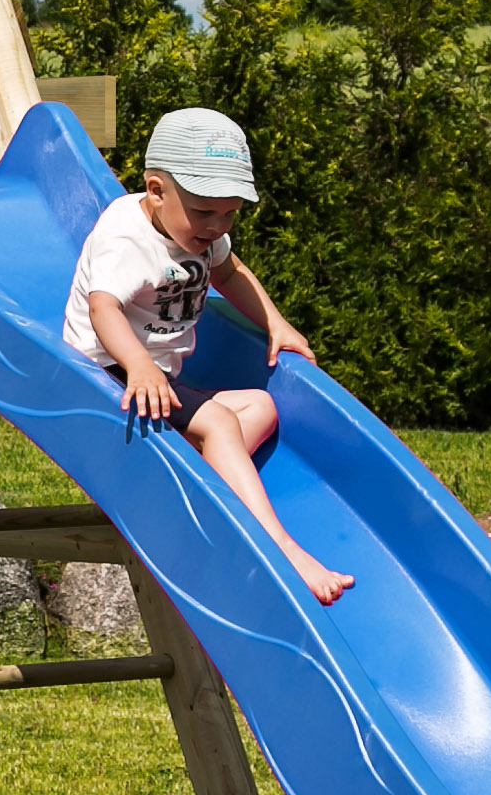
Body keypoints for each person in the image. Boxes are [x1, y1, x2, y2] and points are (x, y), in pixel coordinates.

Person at [63, 108, 355, 606]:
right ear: (156, 191)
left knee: (260, 407)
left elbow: (230, 273)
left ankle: (197, 472)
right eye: (204, 212)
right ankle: (281, 547)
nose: (217, 226)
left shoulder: (199, 230)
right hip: (105, 378)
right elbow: (102, 307)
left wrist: (275, 322)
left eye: (229, 213)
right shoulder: (124, 238)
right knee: (219, 422)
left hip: (154, 381)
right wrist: (137, 365)